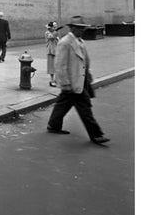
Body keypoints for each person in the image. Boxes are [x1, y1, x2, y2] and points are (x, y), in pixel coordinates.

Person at [46, 16, 110, 145]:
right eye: (80, 28)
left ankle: (53, 125)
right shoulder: (65, 42)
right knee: (84, 107)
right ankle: (96, 135)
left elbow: (84, 61)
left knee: (63, 103)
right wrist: (65, 83)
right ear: (73, 28)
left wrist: (88, 74)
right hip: (72, 81)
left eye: (83, 28)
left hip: (79, 79)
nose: (83, 30)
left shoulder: (80, 41)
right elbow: (60, 65)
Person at [45, 21, 62, 87]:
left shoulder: (55, 34)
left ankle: (56, 80)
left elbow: (58, 41)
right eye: (54, 27)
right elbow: (51, 37)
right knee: (51, 67)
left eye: (56, 27)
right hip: (50, 52)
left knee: (57, 66)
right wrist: (56, 31)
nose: (55, 28)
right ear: (51, 27)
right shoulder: (47, 33)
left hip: (56, 52)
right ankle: (52, 80)